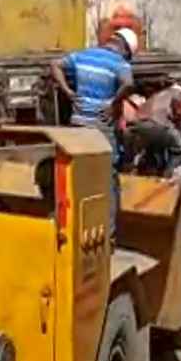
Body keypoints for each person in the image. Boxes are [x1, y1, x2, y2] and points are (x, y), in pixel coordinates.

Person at [50, 28, 137, 242]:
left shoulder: (83, 55)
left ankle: (70, 226)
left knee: (77, 176)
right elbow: (129, 84)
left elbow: (54, 65)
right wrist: (114, 102)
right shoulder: (119, 62)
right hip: (101, 130)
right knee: (109, 178)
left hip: (78, 126)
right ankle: (108, 235)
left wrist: (68, 92)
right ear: (125, 49)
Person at [123, 83, 181, 176]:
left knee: (152, 148)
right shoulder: (177, 94)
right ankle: (169, 176)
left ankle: (146, 172)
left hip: (138, 125)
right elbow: (178, 112)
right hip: (158, 123)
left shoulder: (156, 95)